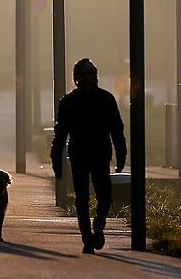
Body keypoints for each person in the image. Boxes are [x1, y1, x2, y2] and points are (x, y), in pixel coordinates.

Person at [51, 58, 127, 254]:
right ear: (77, 78)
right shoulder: (70, 102)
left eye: (92, 73)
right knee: (83, 198)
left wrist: (121, 153)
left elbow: (117, 129)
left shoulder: (105, 99)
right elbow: (60, 134)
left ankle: (97, 227)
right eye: (86, 73)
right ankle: (87, 238)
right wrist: (56, 161)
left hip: (99, 155)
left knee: (103, 197)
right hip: (82, 155)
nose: (89, 77)